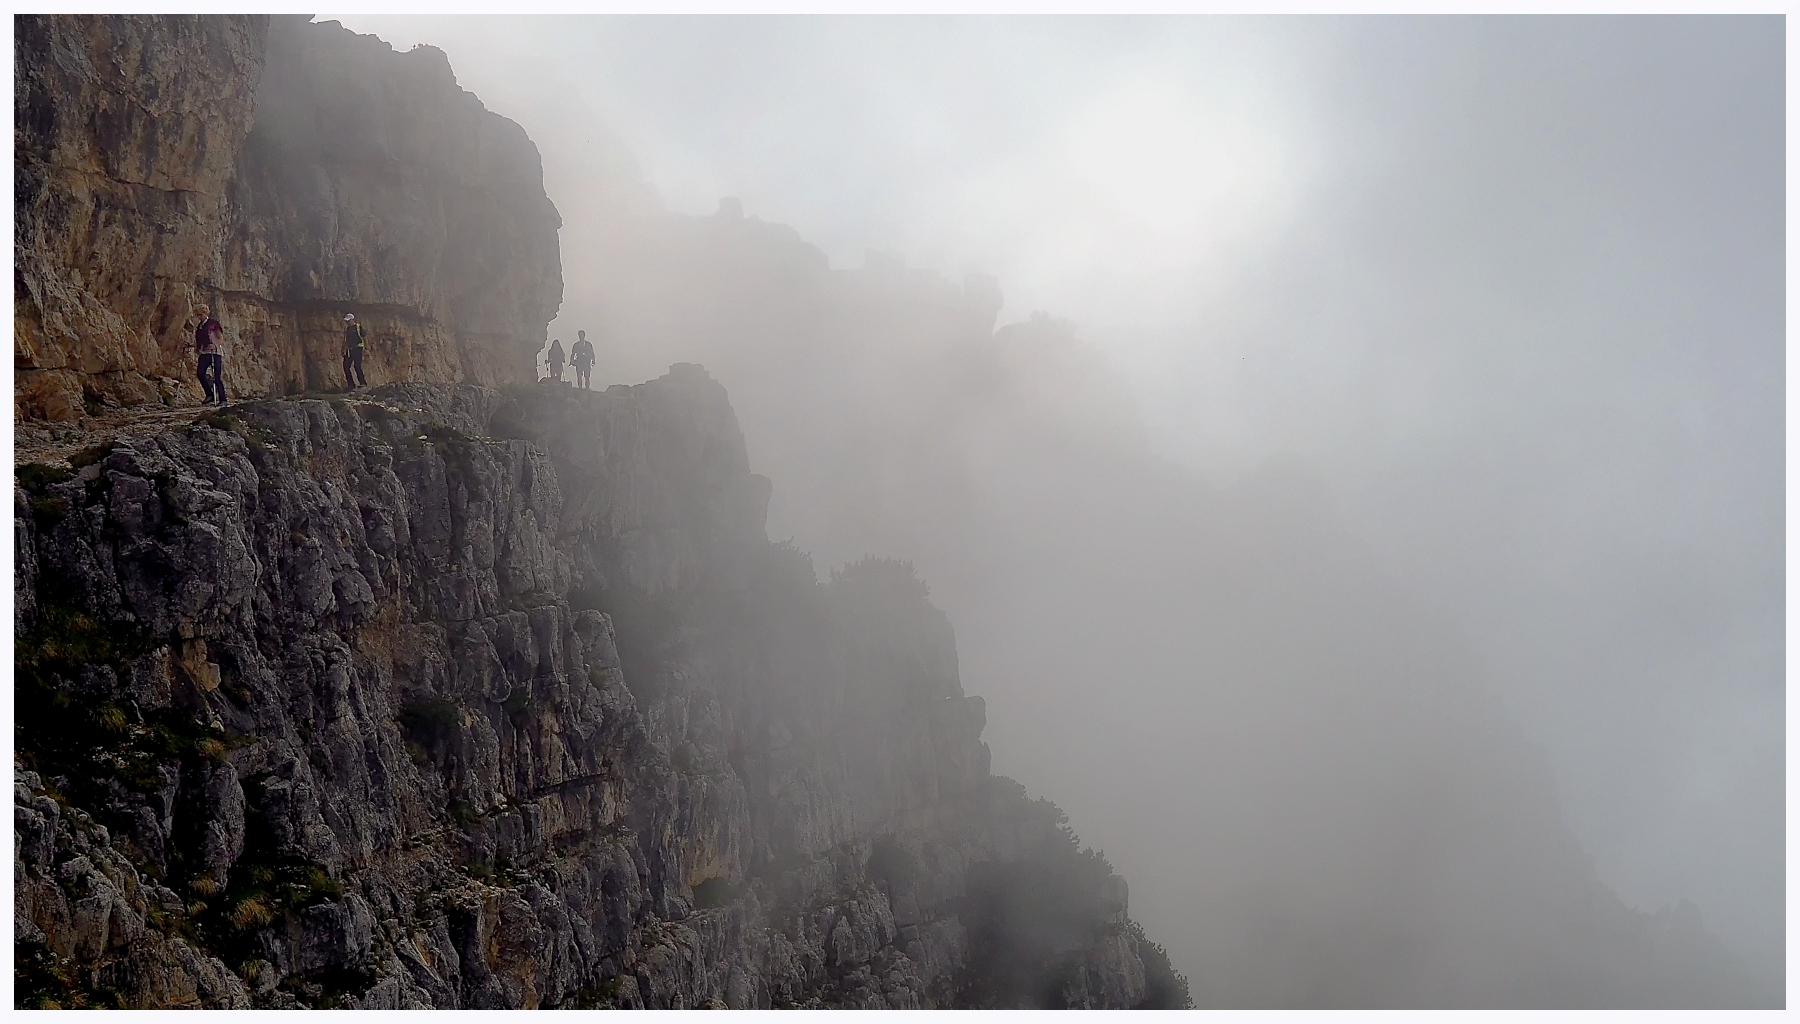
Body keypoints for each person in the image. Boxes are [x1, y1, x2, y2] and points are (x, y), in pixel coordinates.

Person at [194, 303, 226, 405]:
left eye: (200, 315)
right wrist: (191, 345)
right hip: (205, 352)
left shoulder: (213, 324)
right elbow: (200, 340)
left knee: (216, 376)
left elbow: (221, 339)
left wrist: (215, 345)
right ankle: (209, 394)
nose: (199, 317)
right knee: (200, 373)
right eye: (198, 315)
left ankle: (223, 399)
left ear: (205, 313)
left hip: (215, 353)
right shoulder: (200, 326)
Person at [343, 313, 367, 391]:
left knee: (357, 366)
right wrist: (343, 349)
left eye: (348, 321)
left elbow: (365, 337)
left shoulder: (358, 327)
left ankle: (362, 383)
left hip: (358, 348)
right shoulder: (347, 329)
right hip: (350, 350)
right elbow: (346, 340)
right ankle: (351, 385)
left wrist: (366, 349)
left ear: (352, 320)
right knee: (346, 366)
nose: (347, 323)